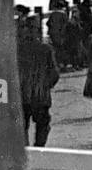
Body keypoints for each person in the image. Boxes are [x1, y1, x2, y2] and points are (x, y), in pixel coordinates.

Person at [18, 18, 60, 146]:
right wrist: (45, 85)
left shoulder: (15, 50)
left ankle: (25, 151)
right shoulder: (46, 49)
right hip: (40, 96)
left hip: (20, 95)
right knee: (42, 125)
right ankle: (38, 150)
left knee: (21, 127)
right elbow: (54, 74)